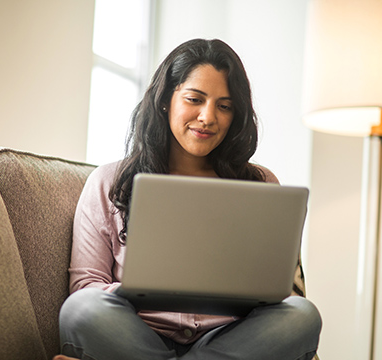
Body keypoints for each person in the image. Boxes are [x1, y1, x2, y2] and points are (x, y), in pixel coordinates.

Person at [54, 39, 322, 360]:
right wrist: (134, 295)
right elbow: (87, 285)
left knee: (301, 315)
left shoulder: (260, 183)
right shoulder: (110, 182)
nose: (208, 117)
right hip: (137, 334)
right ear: (166, 100)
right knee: (81, 309)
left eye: (224, 106)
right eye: (195, 99)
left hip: (231, 338)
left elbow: (280, 293)